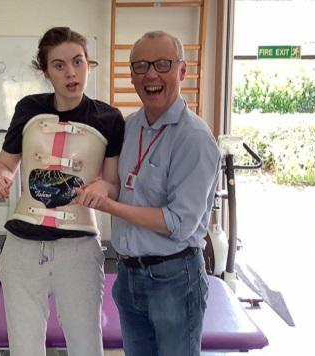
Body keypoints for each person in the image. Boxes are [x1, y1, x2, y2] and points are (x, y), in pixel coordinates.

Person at [75, 31, 221, 356]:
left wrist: (110, 205)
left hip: (174, 279)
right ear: (131, 75)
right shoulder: (129, 126)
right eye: (141, 66)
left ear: (182, 71)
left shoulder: (194, 139)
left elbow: (178, 224)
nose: (151, 74)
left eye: (162, 64)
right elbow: (112, 180)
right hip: (127, 275)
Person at [0, 27, 124, 356]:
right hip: (22, 249)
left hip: (78, 249)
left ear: (89, 63)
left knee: (86, 344)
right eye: (59, 65)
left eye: (77, 62)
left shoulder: (110, 118)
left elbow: (112, 185)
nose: (70, 72)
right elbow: (5, 165)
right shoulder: (28, 108)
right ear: (45, 71)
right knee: (25, 346)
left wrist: (103, 186)